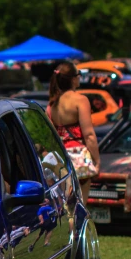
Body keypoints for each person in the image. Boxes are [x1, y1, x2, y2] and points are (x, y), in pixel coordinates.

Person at [46, 62, 100, 201]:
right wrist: (97, 161)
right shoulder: (80, 100)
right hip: (79, 158)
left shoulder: (51, 105)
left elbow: (51, 138)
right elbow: (89, 135)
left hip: (60, 160)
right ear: (73, 79)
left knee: (65, 208)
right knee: (81, 204)